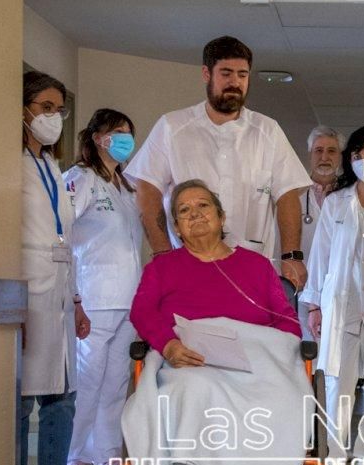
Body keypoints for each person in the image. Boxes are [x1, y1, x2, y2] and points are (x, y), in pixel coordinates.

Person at [125, 179, 305, 465]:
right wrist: (170, 345)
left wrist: (257, 348)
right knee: (196, 388)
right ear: (176, 227)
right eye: (184, 211)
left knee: (274, 397)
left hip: (253, 369)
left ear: (222, 216)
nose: (195, 215)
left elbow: (287, 324)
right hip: (188, 364)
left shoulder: (255, 266)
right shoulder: (163, 269)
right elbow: (141, 312)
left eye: (203, 206)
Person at [124, 35, 312, 289]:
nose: (235, 82)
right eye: (226, 73)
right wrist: (163, 254)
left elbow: (287, 194)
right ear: (206, 74)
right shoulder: (173, 127)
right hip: (188, 268)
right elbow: (147, 190)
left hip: (252, 267)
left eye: (242, 75)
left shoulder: (268, 131)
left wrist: (292, 256)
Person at [17, 71, 103, 465]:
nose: (53, 117)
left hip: (60, 288)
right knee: (23, 400)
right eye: (45, 108)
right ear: (22, 109)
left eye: (58, 109)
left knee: (63, 395)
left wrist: (77, 300)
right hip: (26, 288)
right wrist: (10, 302)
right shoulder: (9, 163)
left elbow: (64, 236)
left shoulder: (51, 166)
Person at [300, 126, 364, 465]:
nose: (363, 162)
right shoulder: (337, 202)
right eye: (357, 156)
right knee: (338, 380)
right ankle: (333, 456)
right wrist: (314, 306)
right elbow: (321, 255)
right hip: (341, 301)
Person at [63, 108, 141, 465]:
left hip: (127, 299)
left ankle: (106, 454)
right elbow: (62, 233)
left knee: (115, 382)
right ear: (97, 137)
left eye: (129, 132)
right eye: (117, 132)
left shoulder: (125, 188)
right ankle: (74, 456)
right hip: (93, 297)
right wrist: (74, 297)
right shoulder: (80, 180)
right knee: (87, 381)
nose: (125, 139)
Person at [297, 125, 345, 341]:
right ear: (310, 155)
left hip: (340, 289)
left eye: (332, 151)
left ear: (341, 156)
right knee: (306, 353)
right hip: (302, 289)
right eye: (318, 150)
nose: (324, 156)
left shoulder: (350, 197)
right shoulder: (294, 196)